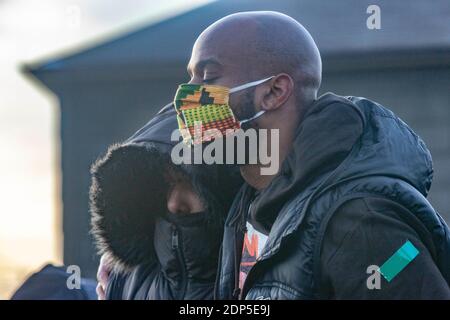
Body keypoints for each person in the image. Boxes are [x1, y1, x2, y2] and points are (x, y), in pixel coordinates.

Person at [179, 11, 450, 299]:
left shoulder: (360, 221)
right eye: (191, 77)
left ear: (274, 91)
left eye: (208, 76)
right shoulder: (248, 204)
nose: (188, 94)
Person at [90, 107, 242, 299]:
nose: (173, 203)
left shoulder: (265, 275)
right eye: (168, 184)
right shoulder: (125, 281)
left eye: (189, 182)